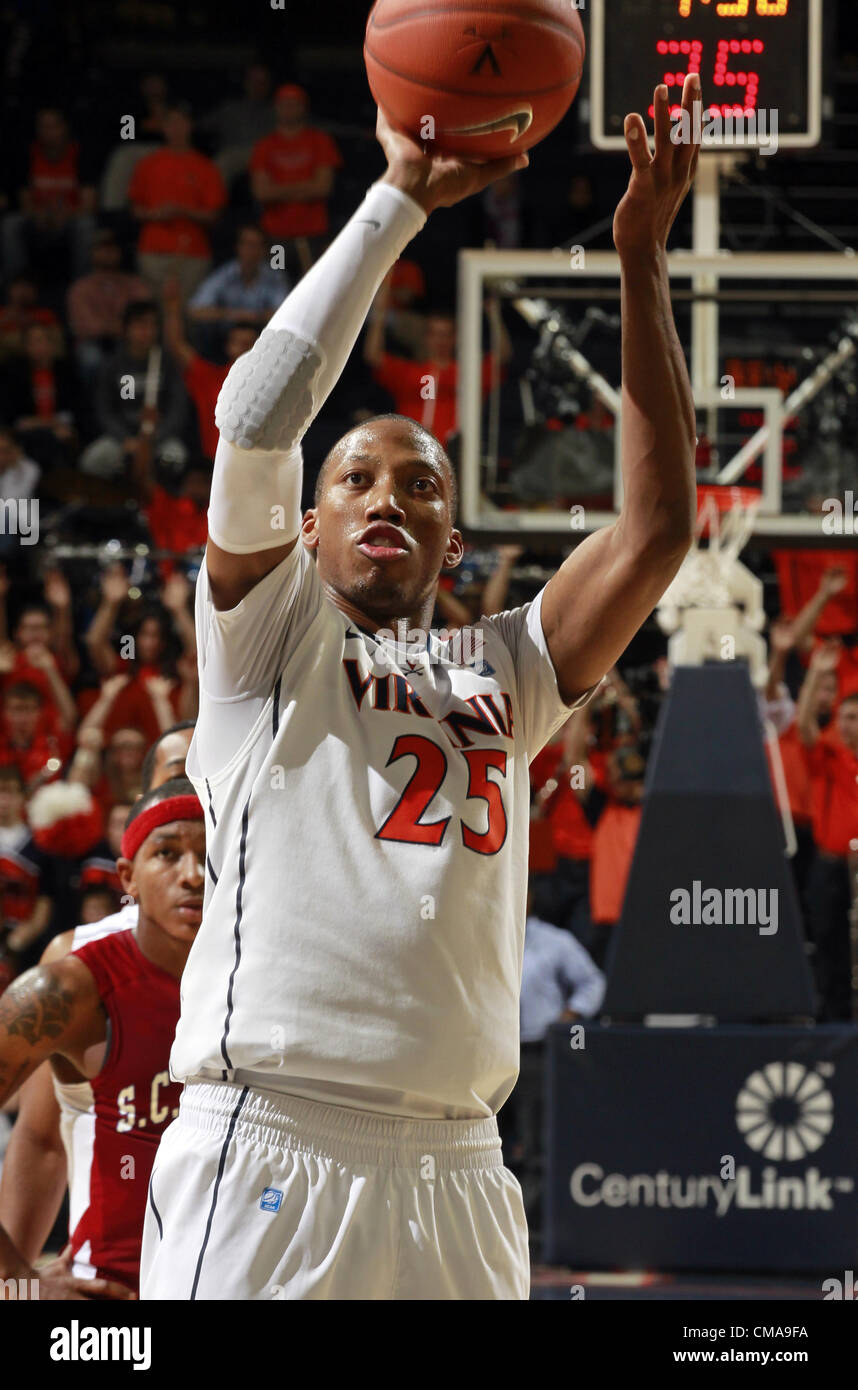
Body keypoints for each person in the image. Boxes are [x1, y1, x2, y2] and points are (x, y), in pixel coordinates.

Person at [140, 79, 701, 1302]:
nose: (389, 494)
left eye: (423, 484)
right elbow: (255, 414)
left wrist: (641, 256)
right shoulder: (263, 640)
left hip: (460, 1161)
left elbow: (658, 528)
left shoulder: (508, 665)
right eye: (356, 479)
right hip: (270, 1138)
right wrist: (397, 198)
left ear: (454, 539)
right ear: (311, 522)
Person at [0, 723, 194, 1284]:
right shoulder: (79, 964)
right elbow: (39, 1140)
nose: (201, 788)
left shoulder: (270, 963)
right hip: (112, 1290)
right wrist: (19, 1286)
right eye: (181, 775)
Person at [506, 883, 605, 1237]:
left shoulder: (554, 941)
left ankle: (530, 1233)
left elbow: (593, 982)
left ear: (530, 896)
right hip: (488, 1054)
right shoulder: (482, 934)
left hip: (534, 1052)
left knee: (534, 1145)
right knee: (486, 1146)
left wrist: (571, 1014)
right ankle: (487, 1231)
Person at [364, 284, 510, 449]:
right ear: (426, 337)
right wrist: (380, 313)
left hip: (456, 457)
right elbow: (373, 356)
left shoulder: (467, 374)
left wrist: (494, 315)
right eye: (435, 334)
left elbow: (502, 356)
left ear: (455, 338)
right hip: (412, 454)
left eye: (446, 334)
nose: (440, 340)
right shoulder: (409, 373)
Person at [797, 642, 858, 1020]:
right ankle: (831, 1024)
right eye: (848, 717)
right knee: (828, 942)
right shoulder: (829, 755)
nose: (853, 724)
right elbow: (803, 726)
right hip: (830, 865)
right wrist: (817, 674)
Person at [79, 301, 189, 483]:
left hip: (159, 437)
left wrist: (155, 438)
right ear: (126, 329)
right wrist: (126, 439)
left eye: (152, 325)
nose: (147, 331)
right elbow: (105, 411)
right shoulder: (112, 365)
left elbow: (177, 409)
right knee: (92, 461)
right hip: (123, 438)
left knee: (177, 459)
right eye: (140, 325)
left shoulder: (166, 363)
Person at [129, 105, 227, 300]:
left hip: (193, 251)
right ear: (163, 128)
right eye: (170, 123)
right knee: (154, 314)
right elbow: (134, 209)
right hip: (153, 250)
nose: (176, 128)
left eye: (181, 122)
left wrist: (183, 211)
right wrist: (155, 214)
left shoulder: (205, 166)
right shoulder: (148, 164)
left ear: (190, 126)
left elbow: (215, 215)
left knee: (188, 314)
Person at [249, 84, 342, 277]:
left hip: (311, 235)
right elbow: (262, 193)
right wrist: (305, 188)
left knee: (313, 285)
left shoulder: (320, 141)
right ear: (276, 107)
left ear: (303, 107)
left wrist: (280, 190)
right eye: (284, 104)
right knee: (276, 283)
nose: (289, 109)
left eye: (294, 104)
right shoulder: (265, 146)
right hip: (277, 236)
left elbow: (323, 187)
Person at [162, 276, 258, 461]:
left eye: (248, 344)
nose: (243, 350)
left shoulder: (274, 384)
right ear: (228, 347)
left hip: (255, 467)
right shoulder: (211, 377)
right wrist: (172, 308)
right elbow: (176, 346)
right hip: (212, 466)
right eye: (237, 343)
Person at [1, 108, 96, 282]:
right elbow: (25, 202)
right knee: (10, 224)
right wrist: (40, 215)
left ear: (65, 128)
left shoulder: (81, 154)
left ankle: (82, 286)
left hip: (70, 220)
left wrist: (65, 215)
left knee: (86, 225)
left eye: (54, 126)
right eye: (44, 127)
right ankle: (17, 285)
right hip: (38, 219)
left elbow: (88, 205)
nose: (49, 133)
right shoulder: (27, 155)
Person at [66, 228, 152, 383]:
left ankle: (130, 404)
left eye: (112, 249)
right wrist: (122, 326)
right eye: (101, 248)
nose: (107, 253)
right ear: (92, 252)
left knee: (136, 356)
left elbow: (144, 314)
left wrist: (113, 326)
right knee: (91, 358)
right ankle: (94, 406)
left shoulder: (134, 284)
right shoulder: (80, 288)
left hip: (129, 342)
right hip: (93, 343)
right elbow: (86, 327)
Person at [188, 225, 288, 333]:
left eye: (257, 245)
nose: (252, 251)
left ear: (264, 250)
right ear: (238, 247)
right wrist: (232, 315)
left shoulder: (275, 277)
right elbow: (195, 310)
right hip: (227, 337)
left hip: (262, 336)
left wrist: (255, 317)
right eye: (248, 245)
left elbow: (286, 314)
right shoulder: (224, 274)